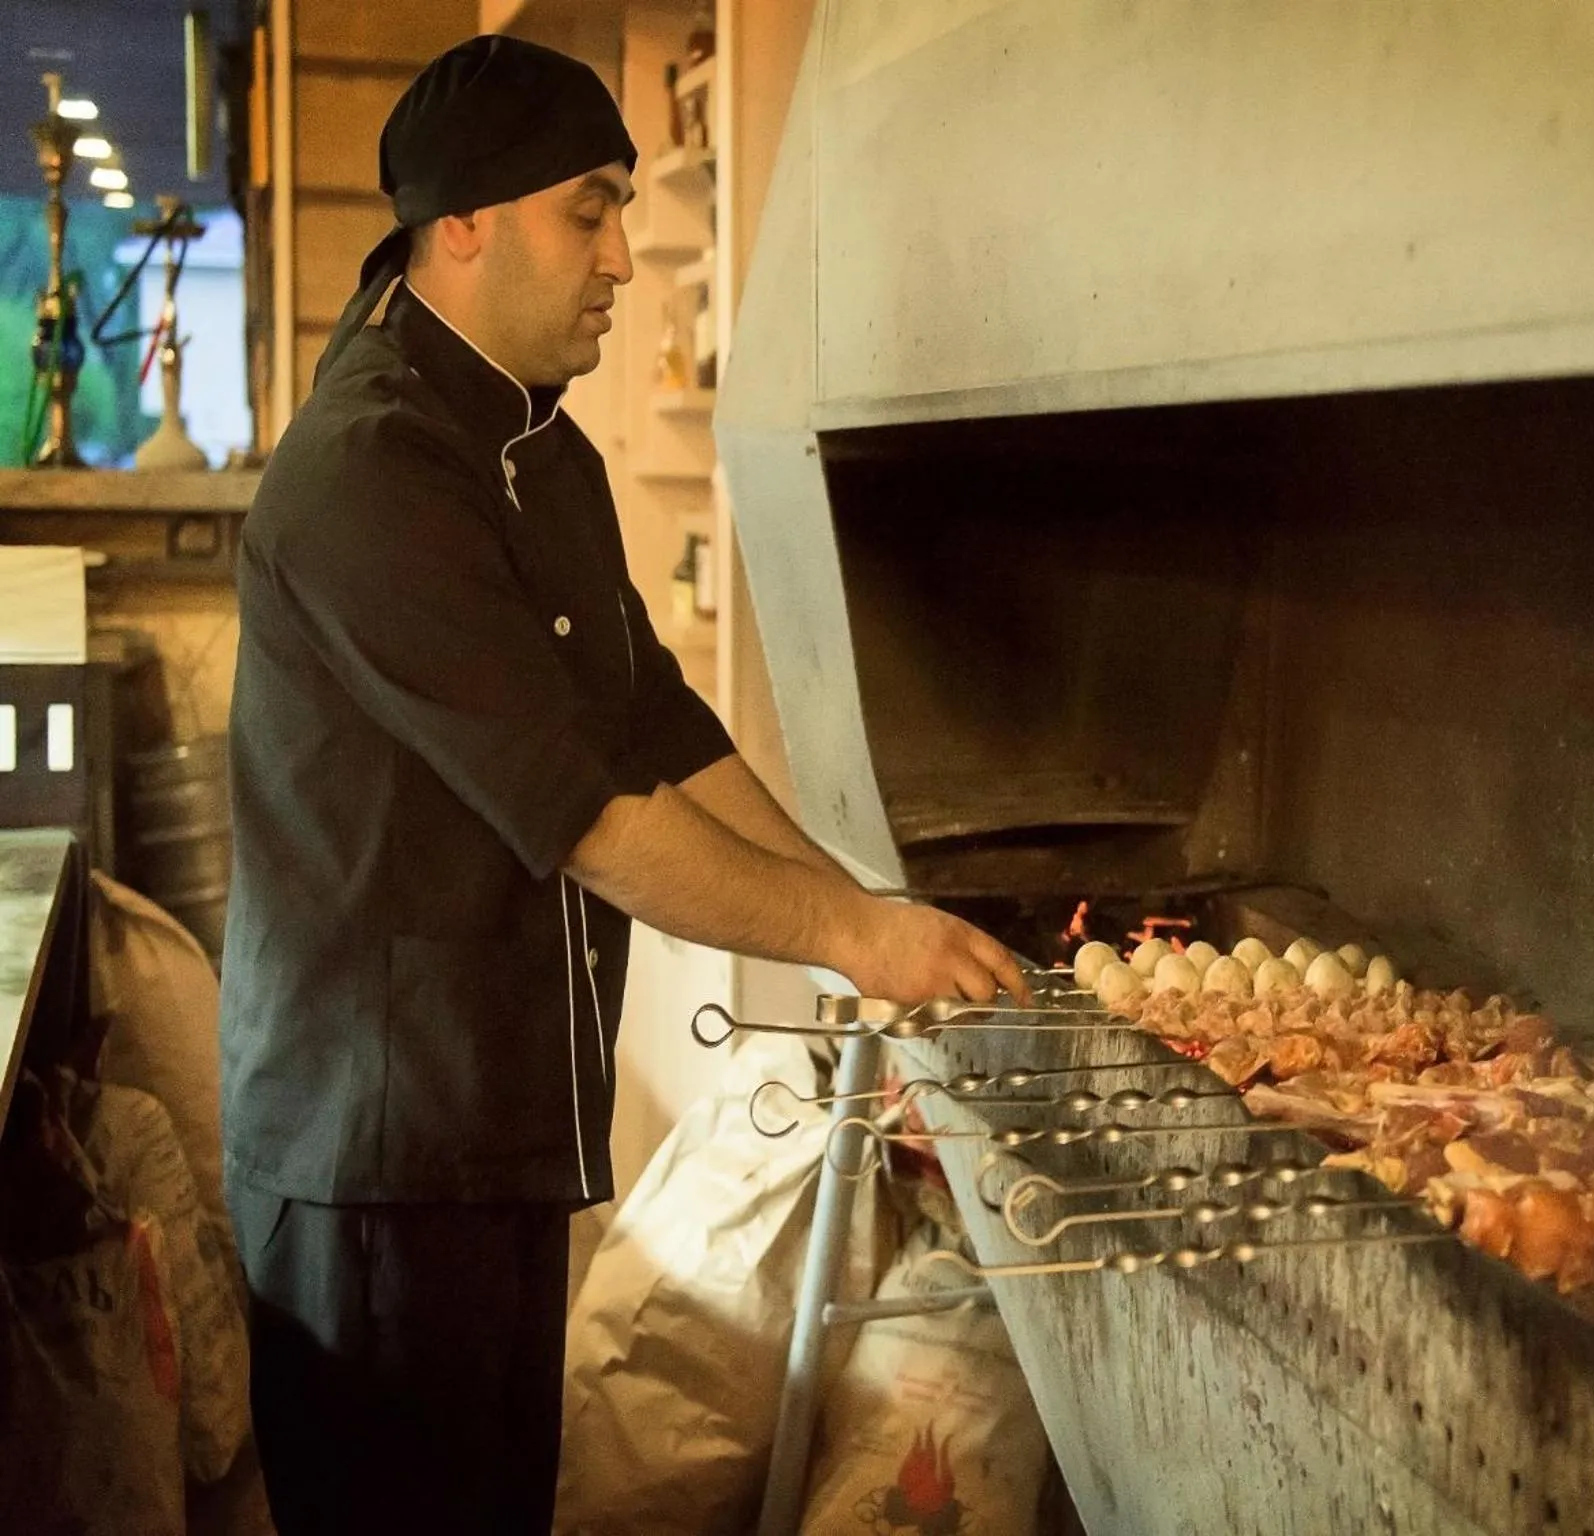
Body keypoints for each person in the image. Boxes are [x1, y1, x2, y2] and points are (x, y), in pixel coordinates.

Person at [217, 35, 1027, 1536]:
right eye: (588, 212)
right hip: (378, 1161)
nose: (624, 259)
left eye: (626, 213)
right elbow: (585, 815)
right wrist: (859, 947)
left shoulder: (548, 456)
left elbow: (656, 728)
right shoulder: (370, 475)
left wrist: (864, 909)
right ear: (463, 222)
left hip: (490, 1130)